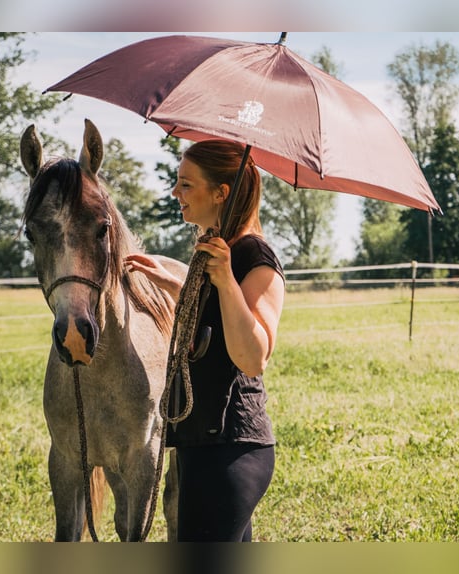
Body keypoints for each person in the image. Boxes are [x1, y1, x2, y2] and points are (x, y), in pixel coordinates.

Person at [124, 139, 285, 542]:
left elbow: (253, 357)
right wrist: (175, 284)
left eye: (185, 184)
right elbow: (213, 318)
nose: (175, 192)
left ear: (220, 194)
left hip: (231, 446)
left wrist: (226, 278)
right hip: (203, 443)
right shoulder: (218, 252)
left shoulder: (256, 259)